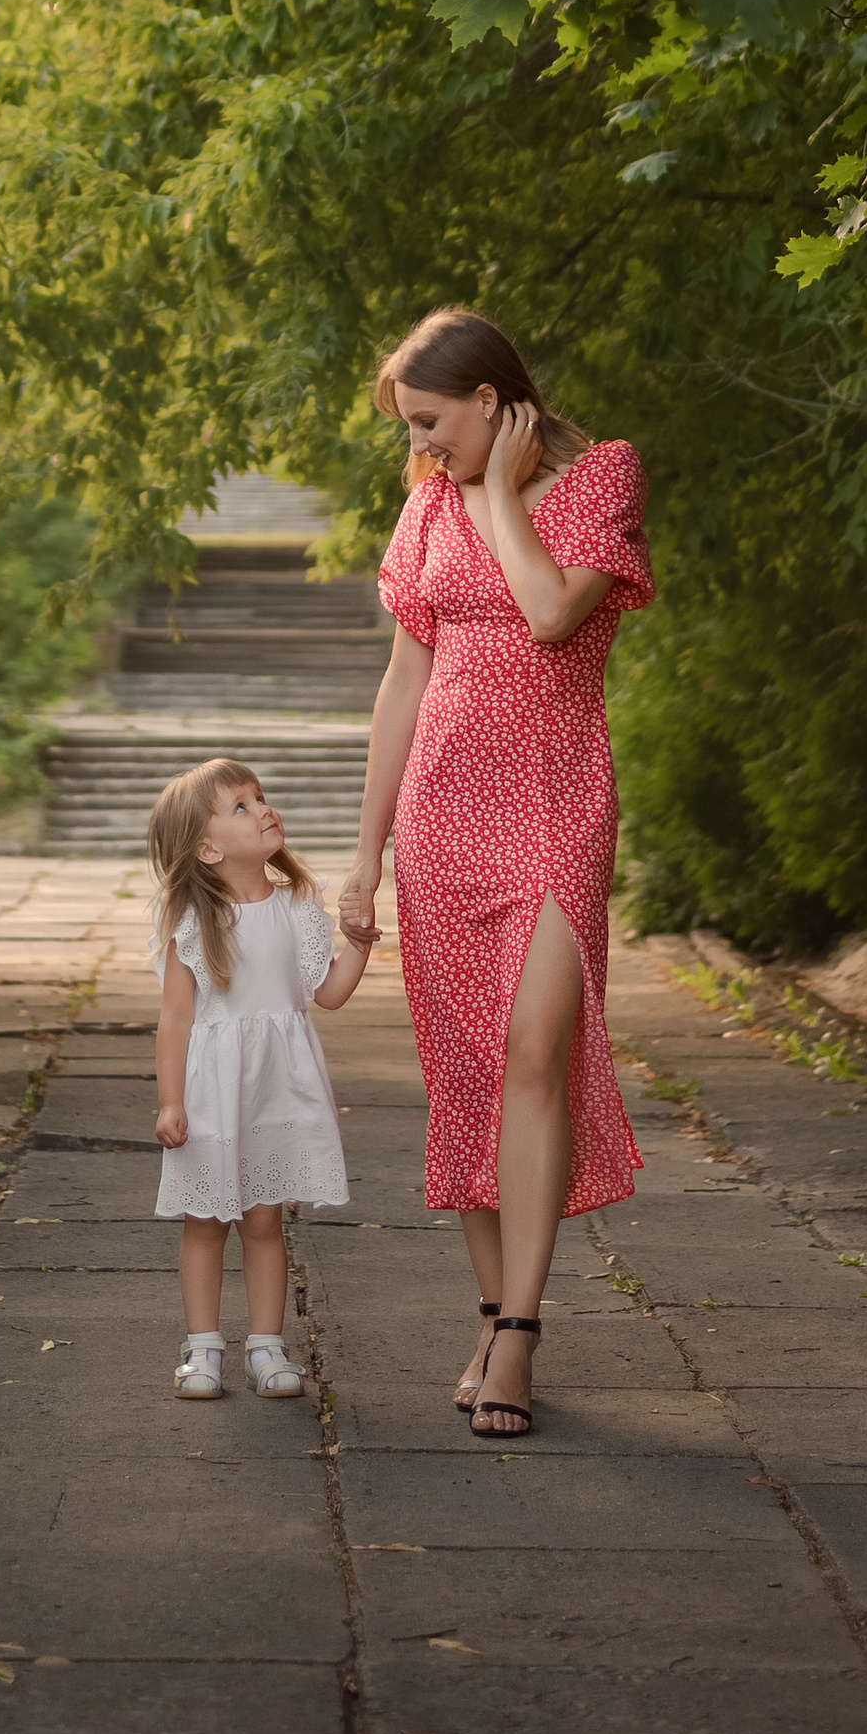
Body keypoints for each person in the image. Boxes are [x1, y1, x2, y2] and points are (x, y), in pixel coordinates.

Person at [338, 307, 652, 1440]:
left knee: (533, 1049)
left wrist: (502, 494)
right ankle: (490, 1313)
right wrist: (362, 861)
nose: (418, 447)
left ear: (490, 401)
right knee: (470, 1065)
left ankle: (519, 1334)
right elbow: (401, 686)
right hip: (442, 808)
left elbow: (550, 613)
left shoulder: (603, 473)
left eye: (430, 422)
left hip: (558, 800)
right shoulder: (427, 495)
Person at [148, 754, 374, 1400]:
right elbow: (173, 1022)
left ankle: (268, 1346)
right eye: (240, 806)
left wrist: (358, 943)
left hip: (276, 1091)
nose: (262, 808)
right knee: (204, 1222)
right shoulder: (194, 924)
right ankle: (202, 1348)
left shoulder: (298, 907)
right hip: (211, 1096)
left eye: (259, 795)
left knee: (265, 1222)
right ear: (208, 848)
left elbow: (326, 993)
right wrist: (170, 1101)